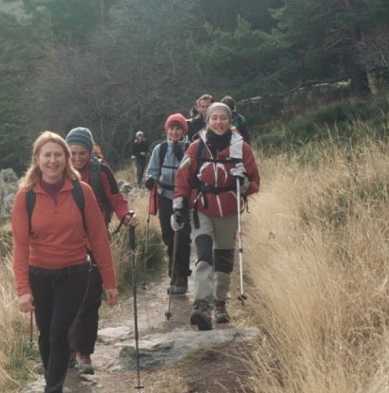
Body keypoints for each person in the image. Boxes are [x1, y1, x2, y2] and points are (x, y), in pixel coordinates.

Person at [12, 131, 119, 393]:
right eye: (47, 154)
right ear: (37, 160)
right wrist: (23, 290)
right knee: (47, 336)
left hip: (75, 272)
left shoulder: (81, 192)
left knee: (59, 332)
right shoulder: (26, 196)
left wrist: (109, 282)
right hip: (39, 274)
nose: (53, 160)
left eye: (58, 154)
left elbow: (98, 239)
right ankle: (54, 381)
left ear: (66, 159)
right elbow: (19, 246)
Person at [173, 102, 260, 330]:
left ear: (229, 121)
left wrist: (244, 181)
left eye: (223, 118)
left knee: (224, 259)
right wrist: (178, 204)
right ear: (207, 120)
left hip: (229, 211)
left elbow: (255, 183)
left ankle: (221, 303)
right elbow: (182, 178)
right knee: (204, 255)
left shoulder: (241, 148)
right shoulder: (196, 147)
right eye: (214, 118)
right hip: (201, 208)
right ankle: (202, 305)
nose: (219, 122)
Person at [65, 126, 137, 375]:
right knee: (65, 299)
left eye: (81, 153)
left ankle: (83, 352)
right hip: (65, 244)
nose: (76, 158)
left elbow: (116, 198)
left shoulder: (100, 171)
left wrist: (125, 216)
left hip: (95, 242)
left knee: (90, 298)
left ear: (90, 151)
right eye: (72, 153)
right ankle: (67, 351)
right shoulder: (58, 172)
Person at [144, 113, 192, 295]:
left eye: (178, 128)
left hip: (184, 197)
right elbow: (152, 170)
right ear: (167, 130)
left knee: (183, 236)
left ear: (183, 130)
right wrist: (150, 180)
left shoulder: (189, 148)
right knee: (169, 236)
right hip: (164, 195)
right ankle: (174, 272)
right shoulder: (160, 149)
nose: (174, 131)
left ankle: (182, 276)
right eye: (171, 128)